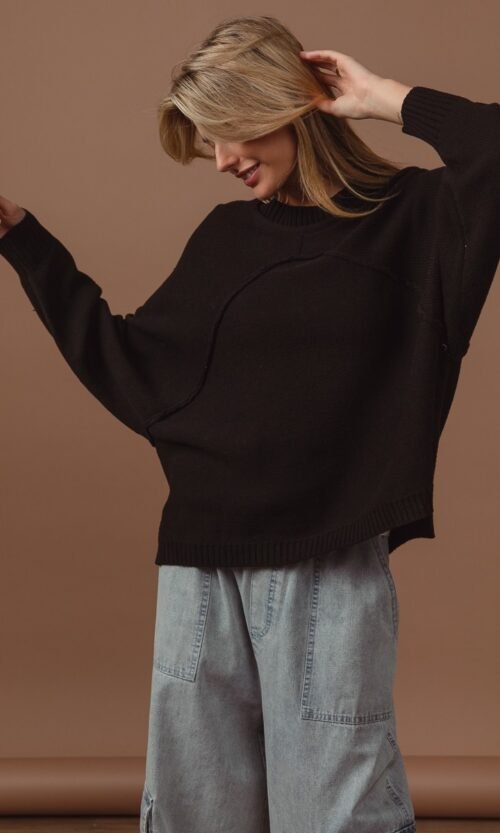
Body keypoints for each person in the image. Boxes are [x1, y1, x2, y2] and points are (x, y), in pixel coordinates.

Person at [1, 14, 499, 833]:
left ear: (281, 105)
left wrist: (382, 97)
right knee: (193, 818)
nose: (221, 159)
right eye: (208, 141)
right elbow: (134, 368)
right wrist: (24, 240)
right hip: (199, 574)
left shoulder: (415, 219)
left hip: (329, 566)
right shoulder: (225, 237)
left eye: (227, 131)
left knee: (335, 815)